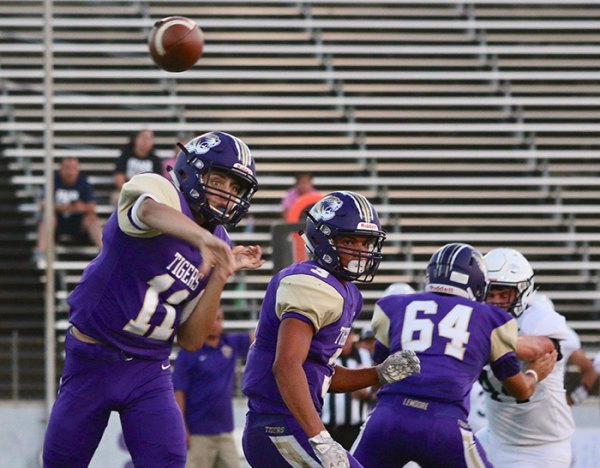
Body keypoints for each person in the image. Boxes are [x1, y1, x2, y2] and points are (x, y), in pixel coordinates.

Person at [42, 131, 264, 468]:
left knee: (168, 460)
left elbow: (191, 340)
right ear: (191, 172)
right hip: (92, 358)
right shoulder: (161, 190)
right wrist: (200, 238)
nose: (226, 195)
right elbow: (148, 211)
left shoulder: (218, 239)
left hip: (149, 370)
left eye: (235, 189)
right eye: (219, 181)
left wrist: (220, 275)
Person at [241, 191, 421, 468]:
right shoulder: (310, 282)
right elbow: (287, 366)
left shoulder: (346, 291)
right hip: (279, 426)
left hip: (290, 424)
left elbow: (321, 373)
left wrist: (378, 373)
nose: (360, 250)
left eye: (365, 242)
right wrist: (321, 438)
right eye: (348, 240)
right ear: (322, 240)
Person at [351, 242, 557, 468]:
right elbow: (520, 390)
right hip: (443, 422)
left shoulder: (394, 305)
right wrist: (534, 374)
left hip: (387, 417)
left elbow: (382, 372)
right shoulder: (490, 319)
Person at [477, 248, 574, 468]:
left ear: (522, 292)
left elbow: (539, 348)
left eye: (504, 295)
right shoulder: (477, 321)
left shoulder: (539, 318)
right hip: (494, 438)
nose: (496, 302)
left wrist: (480, 339)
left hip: (541, 448)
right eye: (490, 294)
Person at [173, 308, 253, 468]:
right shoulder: (189, 351)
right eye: (212, 318)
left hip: (225, 432)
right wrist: (182, 428)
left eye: (219, 319)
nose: (215, 324)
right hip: (198, 433)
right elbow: (178, 392)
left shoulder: (230, 343)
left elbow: (258, 335)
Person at [528, 292, 598, 406]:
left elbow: (589, 369)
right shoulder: (513, 332)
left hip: (548, 402)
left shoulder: (566, 337)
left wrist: (573, 399)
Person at [34, 157, 103, 263]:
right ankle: (40, 251)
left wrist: (80, 207)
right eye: (67, 168)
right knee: (48, 218)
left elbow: (91, 206)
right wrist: (62, 207)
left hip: (77, 223)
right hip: (58, 222)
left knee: (92, 219)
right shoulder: (53, 181)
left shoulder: (83, 182)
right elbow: (43, 205)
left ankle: (104, 252)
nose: (70, 172)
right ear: (61, 169)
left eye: (73, 168)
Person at [321, 329, 373, 450]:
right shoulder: (326, 356)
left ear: (352, 337)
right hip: (327, 427)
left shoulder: (363, 355)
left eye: (348, 336)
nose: (344, 340)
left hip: (354, 427)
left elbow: (373, 389)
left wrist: (365, 393)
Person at [114, 128, 162, 193]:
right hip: (126, 191)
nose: (146, 141)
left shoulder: (155, 160)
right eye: (144, 138)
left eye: (150, 138)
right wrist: (126, 192)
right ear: (136, 139)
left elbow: (157, 180)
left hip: (148, 193)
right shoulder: (125, 156)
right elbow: (119, 176)